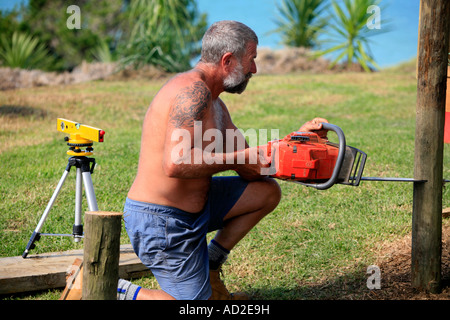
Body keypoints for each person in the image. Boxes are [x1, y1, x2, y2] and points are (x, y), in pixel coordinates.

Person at [119, 20, 328, 300]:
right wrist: (236, 158)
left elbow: (253, 167)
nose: (254, 69)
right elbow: (175, 163)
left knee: (265, 191)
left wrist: (296, 142)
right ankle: (106, 286)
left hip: (197, 211)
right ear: (228, 61)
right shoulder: (191, 93)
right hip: (162, 222)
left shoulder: (217, 104)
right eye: (251, 60)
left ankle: (210, 265)